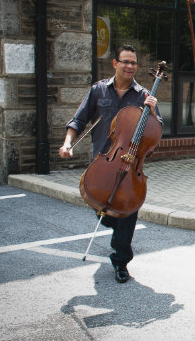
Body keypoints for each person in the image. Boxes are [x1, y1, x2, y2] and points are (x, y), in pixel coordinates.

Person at [59, 45, 162, 284]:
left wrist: (154, 112)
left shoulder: (144, 96)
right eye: (125, 61)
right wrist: (67, 144)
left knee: (127, 211)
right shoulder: (98, 91)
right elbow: (78, 120)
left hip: (129, 166)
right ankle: (113, 224)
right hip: (103, 162)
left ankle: (121, 261)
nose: (130, 66)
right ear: (115, 64)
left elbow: (157, 129)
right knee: (103, 211)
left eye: (133, 63)